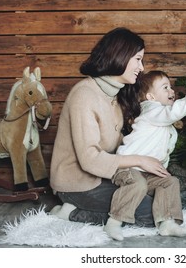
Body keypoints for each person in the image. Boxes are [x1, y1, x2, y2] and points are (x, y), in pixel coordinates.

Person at [49, 27, 171, 227]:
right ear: (121, 56)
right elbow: (89, 160)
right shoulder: (84, 95)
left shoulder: (114, 94)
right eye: (138, 59)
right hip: (77, 184)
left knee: (164, 205)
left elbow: (116, 144)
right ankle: (71, 213)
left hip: (102, 176)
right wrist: (140, 160)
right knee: (150, 213)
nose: (141, 67)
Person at [103, 70, 186, 241]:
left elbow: (161, 149)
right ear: (151, 97)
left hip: (147, 172)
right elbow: (172, 113)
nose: (171, 91)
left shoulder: (162, 119)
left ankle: (166, 222)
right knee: (138, 185)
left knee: (170, 182)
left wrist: (162, 170)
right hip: (126, 166)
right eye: (165, 87)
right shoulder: (151, 110)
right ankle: (114, 221)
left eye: (171, 87)